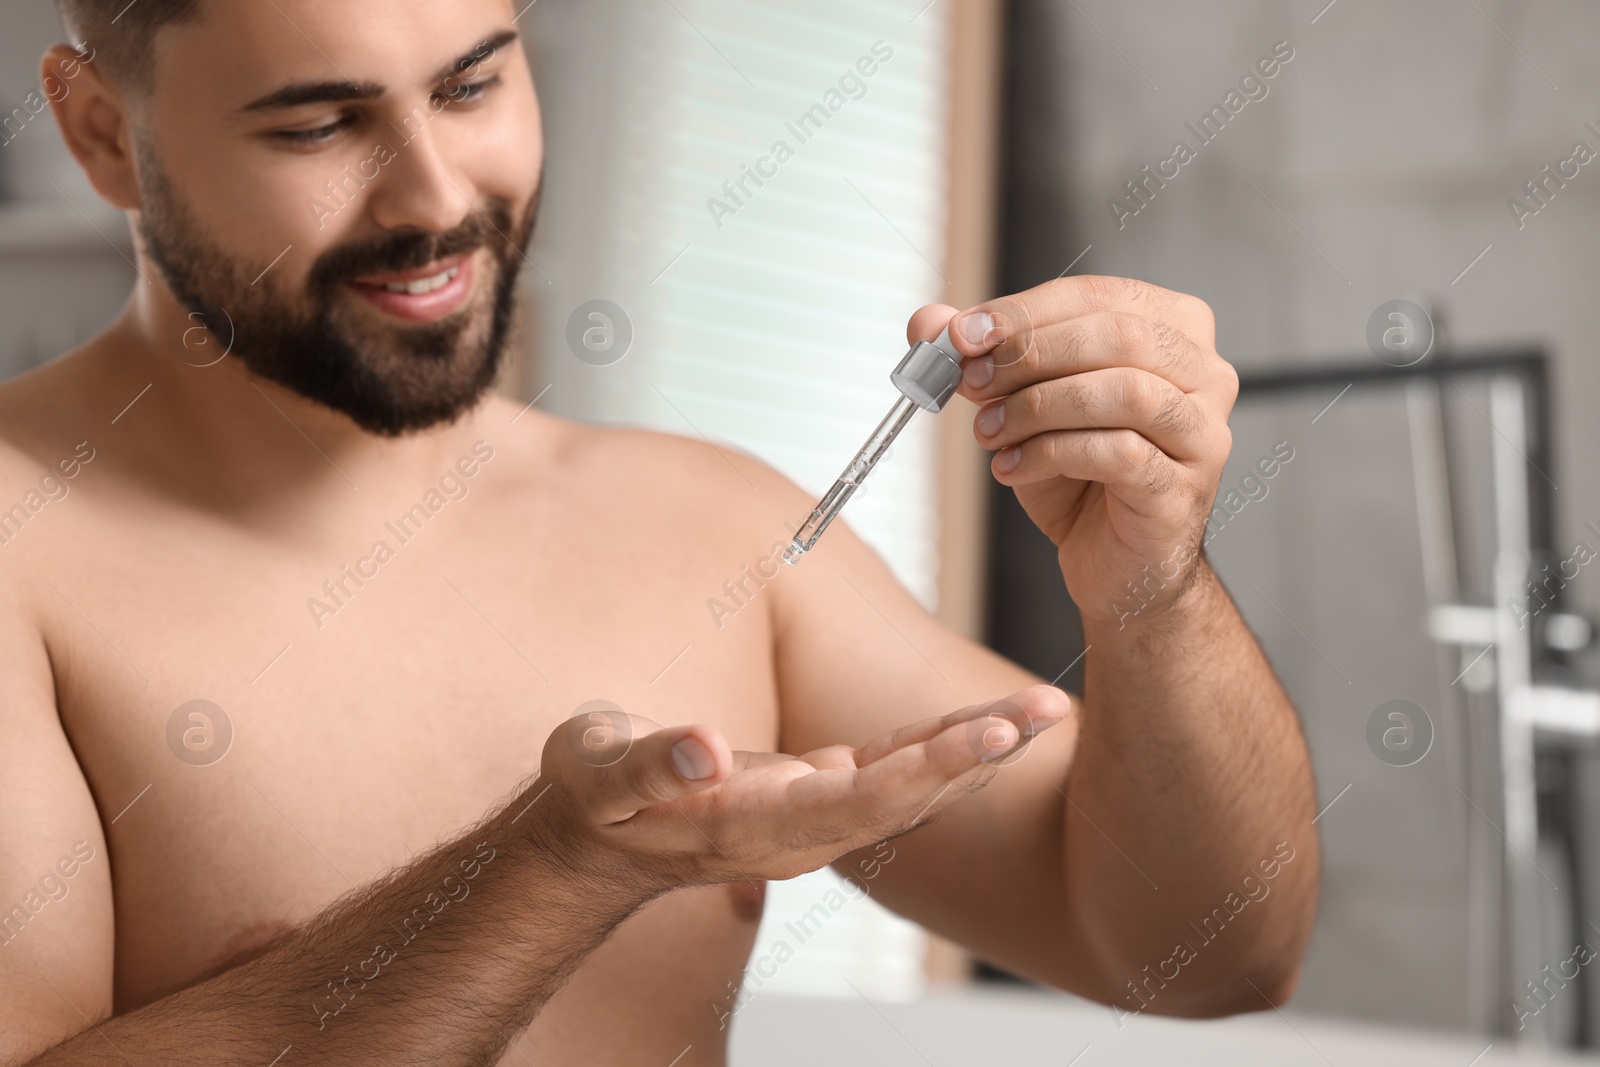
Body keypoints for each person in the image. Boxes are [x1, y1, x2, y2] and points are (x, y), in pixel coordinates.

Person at [0, 1, 1319, 1063]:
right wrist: (553, 873)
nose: (434, 196)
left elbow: (1205, 955)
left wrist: (1153, 596)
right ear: (103, 129)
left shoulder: (712, 527)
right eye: (319, 125)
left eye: (472, 86)